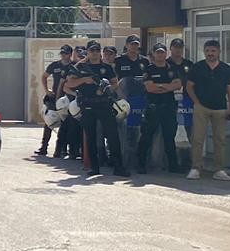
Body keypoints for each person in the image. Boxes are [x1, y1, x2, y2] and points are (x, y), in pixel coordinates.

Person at [65, 40, 125, 177]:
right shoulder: (80, 67)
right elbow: (69, 83)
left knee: (113, 136)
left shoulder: (107, 67)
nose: (95, 53)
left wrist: (104, 89)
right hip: (88, 105)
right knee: (91, 138)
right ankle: (94, 167)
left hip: (104, 104)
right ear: (88, 52)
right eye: (92, 51)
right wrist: (84, 80)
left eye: (97, 50)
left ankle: (118, 166)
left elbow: (115, 83)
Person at [185, 38, 230, 181]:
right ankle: (196, 167)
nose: (210, 53)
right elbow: (189, 86)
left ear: (219, 51)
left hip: (220, 107)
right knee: (197, 139)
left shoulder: (226, 69)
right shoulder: (197, 67)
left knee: (220, 139)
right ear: (204, 52)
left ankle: (219, 169)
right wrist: (196, 102)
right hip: (201, 107)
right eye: (207, 51)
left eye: (213, 51)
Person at [135, 45, 184, 174]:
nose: (160, 55)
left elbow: (178, 85)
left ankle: (173, 165)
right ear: (153, 54)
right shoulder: (149, 69)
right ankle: (140, 164)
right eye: (158, 53)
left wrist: (160, 86)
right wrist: (168, 86)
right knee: (146, 136)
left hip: (169, 106)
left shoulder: (171, 68)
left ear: (165, 53)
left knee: (169, 137)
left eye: (162, 53)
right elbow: (149, 88)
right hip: (153, 107)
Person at [113, 37, 148, 166]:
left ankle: (137, 160)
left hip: (140, 102)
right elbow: (114, 81)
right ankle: (123, 160)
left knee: (138, 131)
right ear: (127, 45)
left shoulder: (144, 61)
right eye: (132, 44)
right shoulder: (119, 61)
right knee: (123, 132)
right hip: (123, 102)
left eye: (136, 45)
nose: (134, 47)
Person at [36, 45, 74, 157]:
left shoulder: (74, 66)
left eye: (66, 53)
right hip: (54, 97)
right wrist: (47, 90)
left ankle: (60, 150)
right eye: (62, 53)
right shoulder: (55, 65)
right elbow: (44, 76)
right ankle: (44, 147)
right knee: (49, 121)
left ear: (70, 54)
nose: (63, 55)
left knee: (65, 124)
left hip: (67, 97)